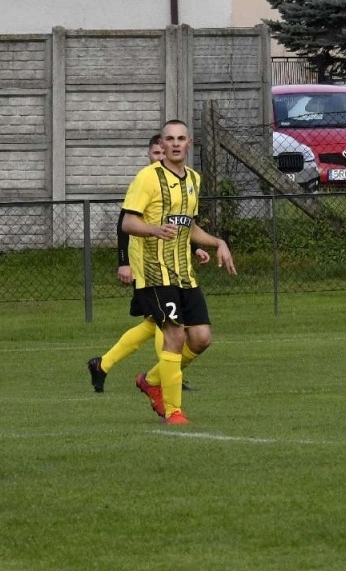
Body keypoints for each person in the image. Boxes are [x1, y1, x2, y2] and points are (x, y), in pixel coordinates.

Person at [118, 119, 236, 426]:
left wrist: (217, 242)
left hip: (184, 273)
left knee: (201, 338)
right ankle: (174, 412)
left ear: (189, 144)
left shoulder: (194, 179)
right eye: (169, 138)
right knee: (173, 335)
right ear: (163, 143)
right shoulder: (148, 178)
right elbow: (128, 223)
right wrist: (154, 229)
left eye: (180, 138)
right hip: (156, 272)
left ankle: (151, 380)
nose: (174, 143)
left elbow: (190, 227)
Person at [85, 133, 208, 393]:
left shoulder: (182, 180)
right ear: (152, 153)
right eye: (157, 153)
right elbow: (125, 225)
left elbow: (181, 224)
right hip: (149, 264)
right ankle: (167, 373)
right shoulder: (146, 180)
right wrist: (124, 262)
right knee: (167, 324)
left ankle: (104, 364)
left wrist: (196, 248)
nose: (163, 157)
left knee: (156, 322)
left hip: (173, 264)